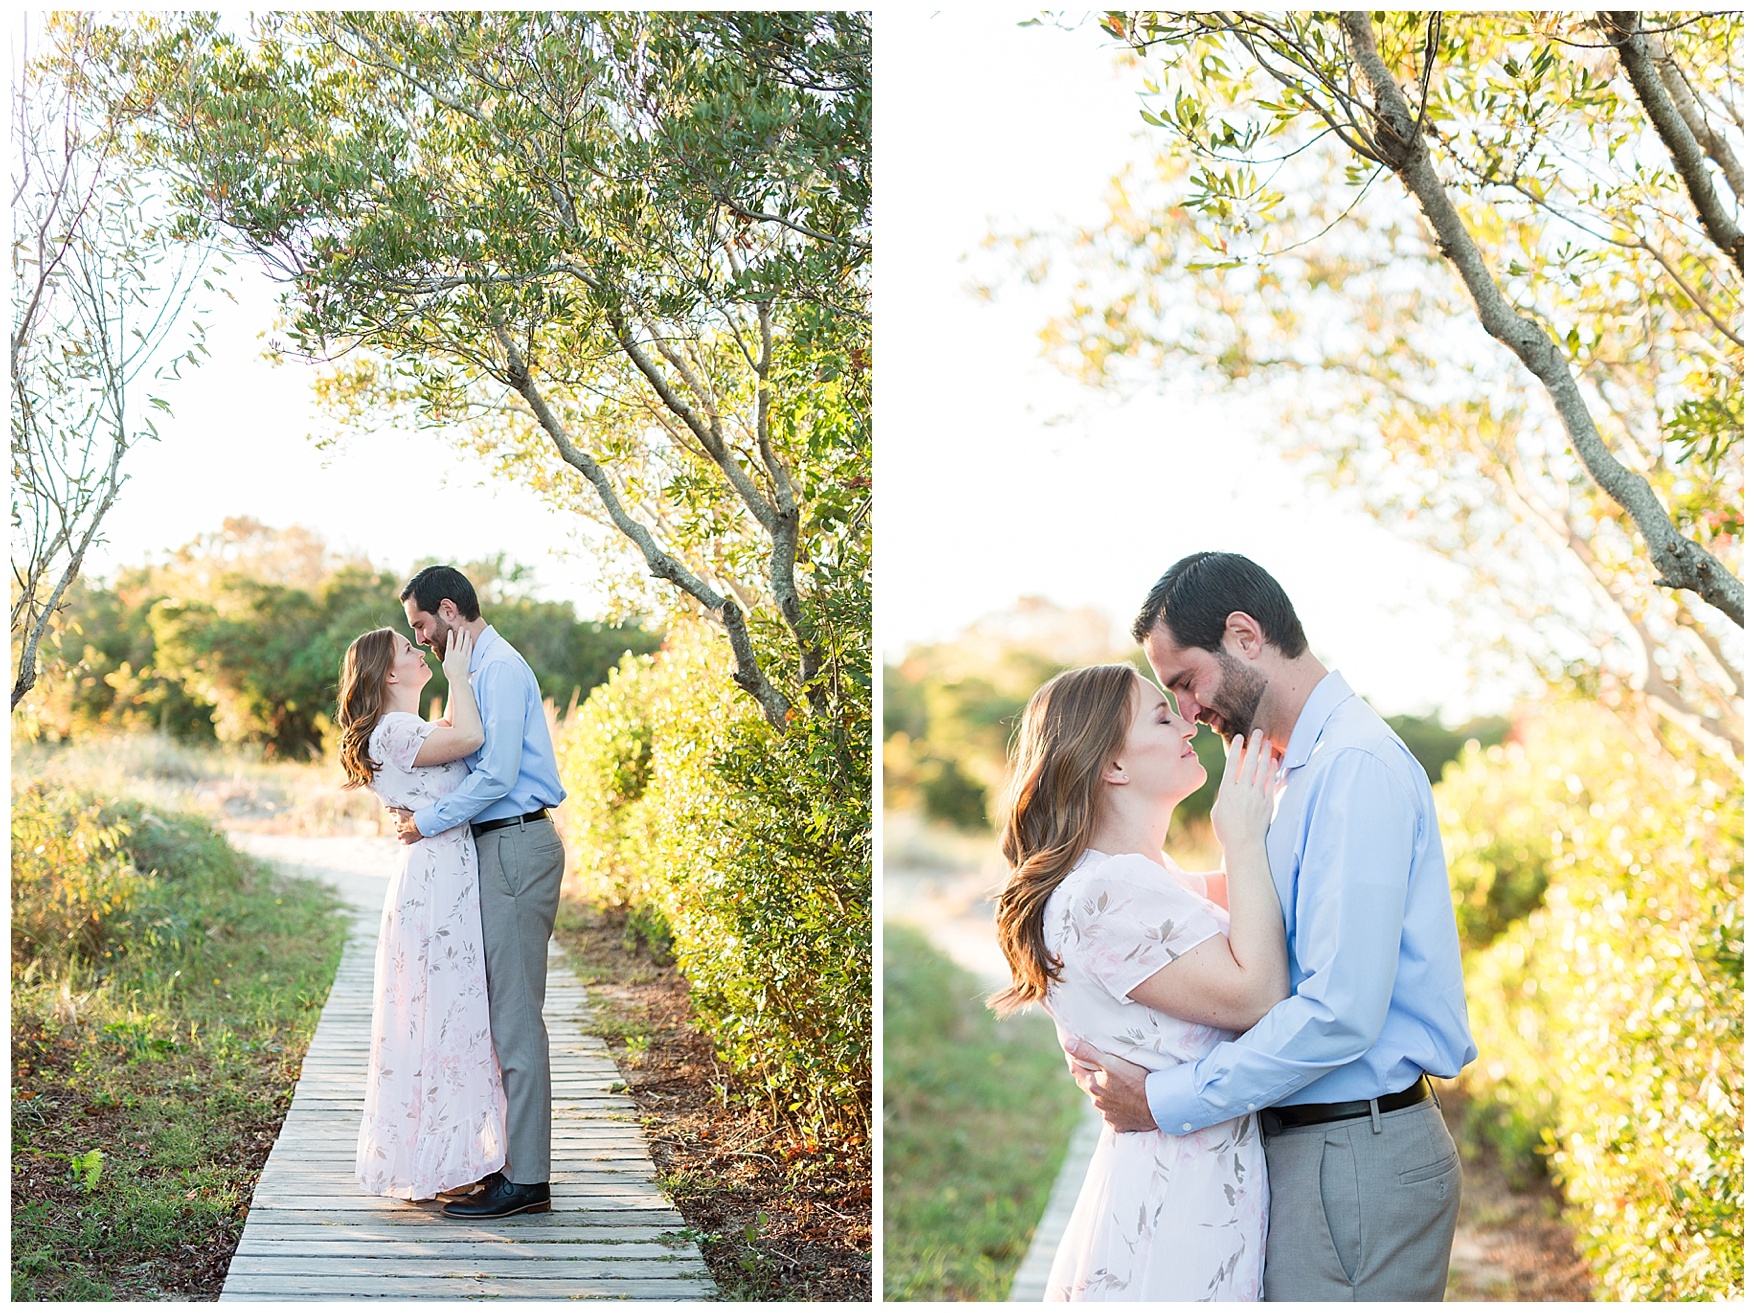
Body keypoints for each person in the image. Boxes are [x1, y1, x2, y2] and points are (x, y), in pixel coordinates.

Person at [1065, 552, 1477, 1301]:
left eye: (1186, 681)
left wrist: (1166, 1099)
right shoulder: (1289, 775)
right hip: (1314, 1146)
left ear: (1244, 635)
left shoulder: (1353, 768)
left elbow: (1340, 1013)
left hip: (1354, 1149)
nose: (1188, 712)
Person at [991, 662, 1283, 1301]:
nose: (1189, 723)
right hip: (1178, 1205)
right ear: (1113, 768)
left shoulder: (1140, 878)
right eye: (1161, 715)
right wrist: (1240, 835)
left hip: (1188, 1182)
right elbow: (1258, 994)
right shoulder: (1108, 893)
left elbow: (1272, 898)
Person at [387, 565, 568, 1221]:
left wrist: (425, 821)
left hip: (516, 842)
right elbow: (466, 753)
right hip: (497, 843)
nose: (421, 638)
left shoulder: (498, 668)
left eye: (420, 626)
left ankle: (528, 1179)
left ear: (445, 609)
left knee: (515, 1015)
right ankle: (505, 1165)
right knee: (496, 1012)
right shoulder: (478, 668)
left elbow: (495, 773)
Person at [336, 625, 507, 1201]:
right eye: (409, 651)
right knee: (444, 1010)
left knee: (446, 1008)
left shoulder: (407, 728)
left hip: (442, 875)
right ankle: (444, 1166)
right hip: (434, 881)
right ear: (389, 674)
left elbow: (454, 737)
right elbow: (470, 737)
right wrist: (459, 673)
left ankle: (445, 1159)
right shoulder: (396, 730)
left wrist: (454, 683)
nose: (422, 652)